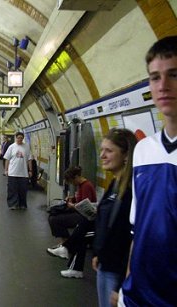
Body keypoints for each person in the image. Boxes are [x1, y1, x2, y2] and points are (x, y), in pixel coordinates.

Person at [119, 36, 177, 307]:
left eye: (174, 75)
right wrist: (125, 286)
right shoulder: (143, 150)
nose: (163, 86)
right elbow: (137, 228)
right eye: (155, 77)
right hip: (136, 297)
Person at [91, 128, 137, 307]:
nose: (102, 155)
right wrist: (97, 253)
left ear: (126, 155)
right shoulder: (115, 183)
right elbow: (105, 224)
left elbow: (130, 238)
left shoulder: (131, 190)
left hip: (117, 272)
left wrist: (121, 286)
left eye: (109, 151)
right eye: (102, 150)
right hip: (104, 264)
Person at [47, 166, 96, 248]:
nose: (72, 183)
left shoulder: (86, 186)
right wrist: (72, 199)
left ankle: (66, 245)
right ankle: (65, 243)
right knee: (52, 216)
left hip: (84, 217)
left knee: (54, 220)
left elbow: (85, 206)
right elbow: (80, 200)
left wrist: (73, 206)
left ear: (76, 177)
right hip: (80, 214)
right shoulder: (81, 185)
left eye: (71, 181)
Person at [4, 132, 33, 210]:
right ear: (15, 138)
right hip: (12, 172)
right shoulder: (11, 147)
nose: (20, 139)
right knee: (12, 190)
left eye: (21, 138)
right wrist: (6, 170)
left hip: (23, 173)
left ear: (23, 138)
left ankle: (22, 204)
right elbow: (7, 159)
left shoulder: (26, 147)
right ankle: (13, 204)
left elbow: (29, 159)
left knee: (23, 190)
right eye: (18, 138)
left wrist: (30, 170)